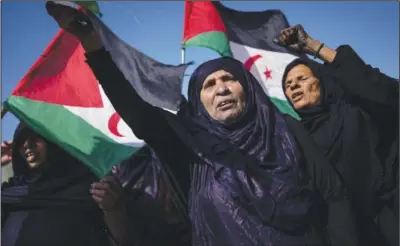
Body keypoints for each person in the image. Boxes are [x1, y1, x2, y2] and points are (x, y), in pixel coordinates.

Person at [46, 3, 360, 245]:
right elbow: (139, 114)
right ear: (199, 102)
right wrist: (92, 45)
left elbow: (334, 197)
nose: (221, 88)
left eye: (229, 80)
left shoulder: (288, 131)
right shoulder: (191, 150)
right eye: (208, 85)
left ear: (248, 90)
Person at [277, 25, 399, 246]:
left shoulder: (356, 110)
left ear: (321, 81)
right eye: (288, 84)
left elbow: (383, 91)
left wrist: (314, 47)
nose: (294, 86)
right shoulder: (296, 137)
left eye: (302, 79)